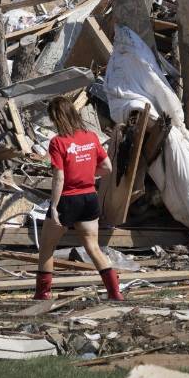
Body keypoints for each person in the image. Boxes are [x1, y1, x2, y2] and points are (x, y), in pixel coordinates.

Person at [35, 96, 122, 301]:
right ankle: (115, 292)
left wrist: (54, 207)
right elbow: (107, 168)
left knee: (47, 249)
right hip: (89, 198)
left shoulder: (58, 142)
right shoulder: (91, 137)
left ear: (56, 118)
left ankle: (43, 294)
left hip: (67, 200)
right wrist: (88, 175)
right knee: (93, 247)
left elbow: (59, 177)